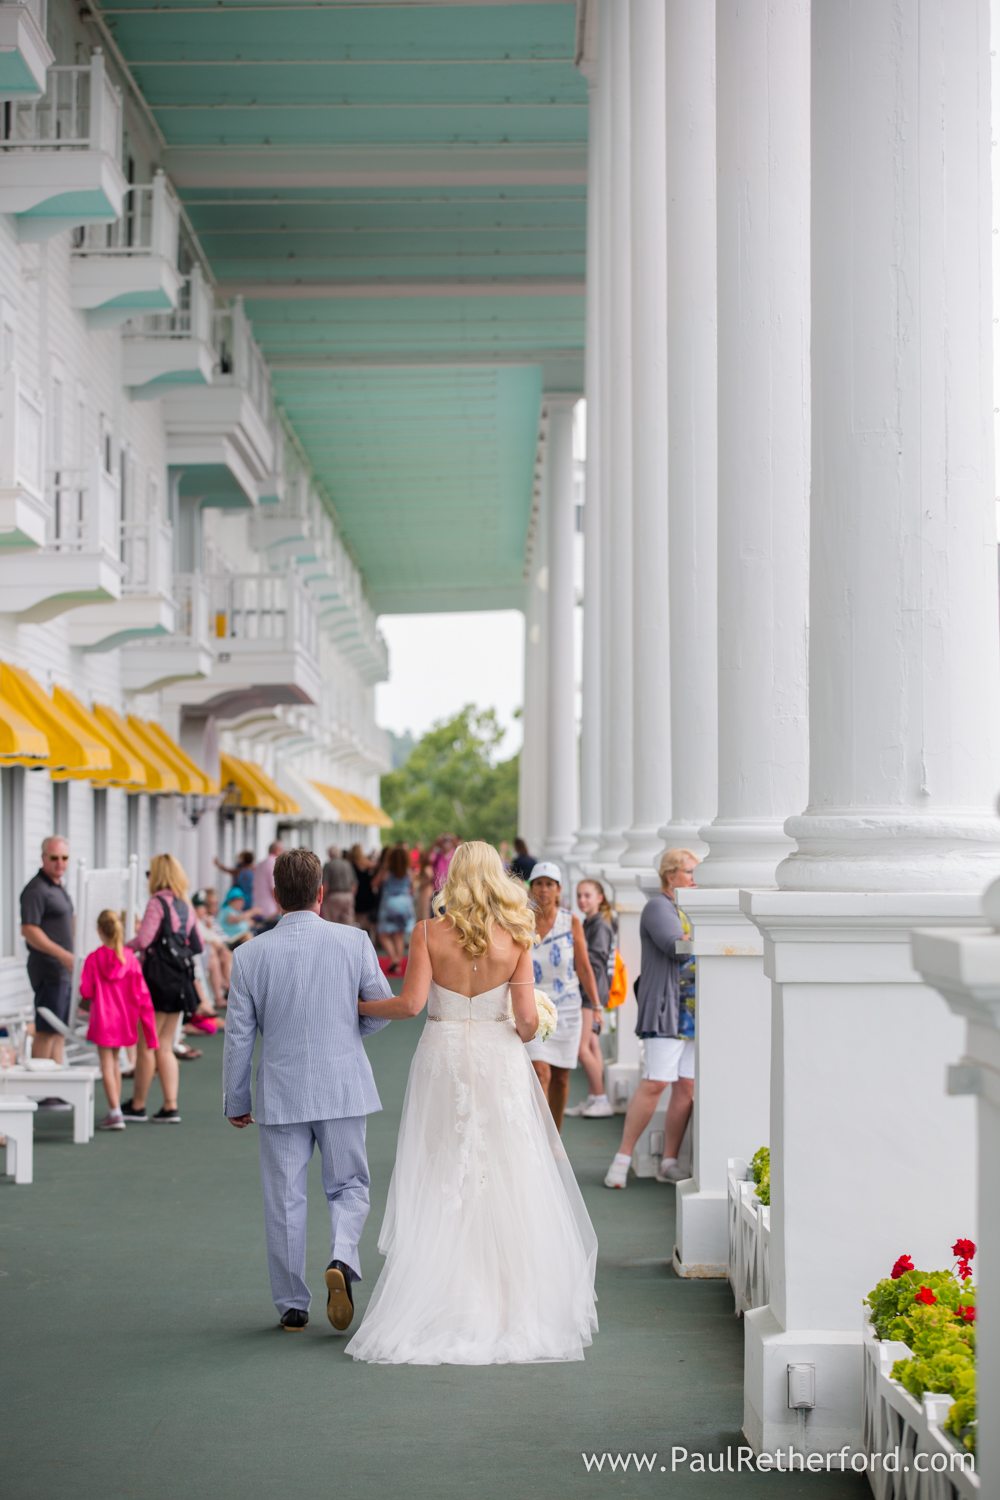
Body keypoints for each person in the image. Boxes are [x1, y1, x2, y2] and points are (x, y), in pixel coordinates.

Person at [347, 841, 598, 1365]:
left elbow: (411, 1004)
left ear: (452, 879)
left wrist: (358, 1005)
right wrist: (530, 1019)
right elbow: (528, 1024)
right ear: (499, 879)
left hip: (442, 1057)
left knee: (444, 1170)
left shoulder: (427, 933)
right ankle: (509, 1300)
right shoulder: (518, 938)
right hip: (497, 1057)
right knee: (507, 1169)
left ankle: (442, 1297)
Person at [222, 848, 392, 1333]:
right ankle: (341, 1258)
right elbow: (380, 1007)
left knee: (284, 1197)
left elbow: (239, 1035)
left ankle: (292, 1305)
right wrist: (347, 1033)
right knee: (349, 1186)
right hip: (342, 1085)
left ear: (275, 895)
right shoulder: (354, 941)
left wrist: (237, 1099)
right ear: (321, 894)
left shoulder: (249, 955)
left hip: (281, 1092)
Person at [604, 848, 700, 1189]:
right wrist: (706, 935)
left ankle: (669, 1160)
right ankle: (623, 1158)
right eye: (689, 872)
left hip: (691, 1012)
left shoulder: (688, 908)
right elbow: (676, 947)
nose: (694, 878)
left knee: (686, 1086)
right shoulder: (659, 907)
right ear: (670, 875)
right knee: (656, 1081)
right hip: (666, 1009)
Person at [122, 854, 203, 1124]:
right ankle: (170, 1105)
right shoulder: (185, 906)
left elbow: (145, 939)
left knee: (147, 1043)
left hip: (157, 982)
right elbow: (197, 944)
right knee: (166, 1045)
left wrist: (125, 947)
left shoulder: (157, 903)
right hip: (179, 981)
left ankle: (138, 1104)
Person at [524, 862, 600, 1133]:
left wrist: (596, 1004)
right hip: (531, 1004)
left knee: (561, 1077)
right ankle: (539, 1137)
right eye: (539, 884)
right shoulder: (520, 919)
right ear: (531, 888)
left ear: (558, 890)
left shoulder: (571, 921)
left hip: (566, 1007)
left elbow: (583, 966)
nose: (544, 890)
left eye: (549, 884)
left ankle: (554, 1135)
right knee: (540, 1072)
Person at [79, 910, 158, 1131]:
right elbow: (141, 993)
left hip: (103, 1018)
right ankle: (116, 1109)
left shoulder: (94, 959)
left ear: (99, 931)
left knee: (107, 1063)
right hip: (124, 1019)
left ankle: (114, 1111)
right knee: (116, 1062)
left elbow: (86, 990)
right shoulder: (130, 959)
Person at [19, 836, 75, 1085]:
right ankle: (40, 1088)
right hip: (48, 968)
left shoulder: (57, 886)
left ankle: (57, 1086)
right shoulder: (36, 889)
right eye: (54, 858)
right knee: (46, 1028)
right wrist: (62, 954)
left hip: (63, 970)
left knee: (59, 1029)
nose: (60, 863)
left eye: (64, 858)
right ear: (43, 858)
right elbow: (30, 930)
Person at [565, 879, 615, 1119]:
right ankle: (596, 1096)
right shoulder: (590, 922)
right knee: (592, 1044)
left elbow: (593, 963)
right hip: (590, 990)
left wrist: (591, 997)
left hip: (590, 992)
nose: (582, 900)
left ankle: (602, 1098)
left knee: (581, 1048)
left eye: (587, 895)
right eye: (579, 895)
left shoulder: (600, 926)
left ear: (600, 898)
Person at [376, 844, 414, 975]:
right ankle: (398, 962)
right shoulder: (408, 871)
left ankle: (394, 959)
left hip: (389, 903)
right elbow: (412, 887)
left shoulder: (387, 871)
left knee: (383, 934)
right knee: (399, 934)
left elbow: (376, 883)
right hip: (404, 902)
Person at [251, 840, 283, 932]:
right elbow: (274, 888)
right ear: (277, 850)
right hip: (271, 911)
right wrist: (279, 907)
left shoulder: (260, 864)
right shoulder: (273, 863)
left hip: (258, 908)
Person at [321, 846, 357, 925]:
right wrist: (351, 895)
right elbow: (354, 883)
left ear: (330, 855)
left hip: (334, 896)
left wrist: (323, 898)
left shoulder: (328, 865)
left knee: (332, 923)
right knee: (348, 922)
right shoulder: (347, 864)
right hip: (348, 895)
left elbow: (325, 885)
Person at [350, 845, 379, 939]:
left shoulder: (351, 864)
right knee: (366, 917)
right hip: (367, 891)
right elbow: (376, 866)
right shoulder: (366, 863)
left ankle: (359, 935)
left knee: (357, 917)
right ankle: (367, 936)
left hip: (358, 892)